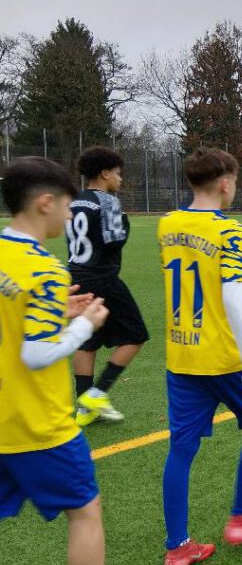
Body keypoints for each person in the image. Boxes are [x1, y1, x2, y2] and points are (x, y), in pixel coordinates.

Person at [0, 157, 156, 565]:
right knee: (85, 511)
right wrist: (83, 326)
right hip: (37, 423)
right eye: (67, 206)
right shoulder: (45, 269)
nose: (71, 216)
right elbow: (36, 353)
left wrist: (57, 313)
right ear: (45, 203)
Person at [158, 148, 242, 565]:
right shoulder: (228, 231)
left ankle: (177, 547)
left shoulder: (167, 225)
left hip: (182, 354)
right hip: (223, 357)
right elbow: (235, 298)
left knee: (181, 448)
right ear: (226, 182)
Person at [65, 147, 149, 426]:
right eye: (117, 174)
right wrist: (124, 223)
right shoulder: (108, 201)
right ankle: (97, 393)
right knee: (136, 335)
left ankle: (84, 407)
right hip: (103, 278)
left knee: (87, 341)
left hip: (76, 276)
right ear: (104, 174)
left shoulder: (74, 201)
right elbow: (114, 241)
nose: (120, 179)